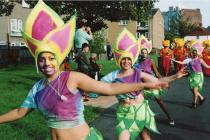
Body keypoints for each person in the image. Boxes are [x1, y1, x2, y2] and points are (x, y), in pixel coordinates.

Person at [0, 2, 168, 140]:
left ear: (58, 59)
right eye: (42, 59)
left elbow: (109, 88)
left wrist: (144, 85)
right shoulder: (37, 88)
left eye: (51, 58)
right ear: (37, 61)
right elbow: (19, 112)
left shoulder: (72, 78)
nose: (46, 63)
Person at [101, 29, 187, 140]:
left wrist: (175, 76)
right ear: (119, 60)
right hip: (124, 113)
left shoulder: (138, 72)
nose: (126, 61)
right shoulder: (114, 75)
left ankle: (169, 117)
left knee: (145, 137)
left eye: (128, 59)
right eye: (123, 59)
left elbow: (157, 80)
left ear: (131, 60)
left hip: (141, 110)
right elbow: (98, 85)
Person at [136, 35, 174, 126]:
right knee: (140, 103)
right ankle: (144, 119)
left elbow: (157, 74)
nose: (144, 54)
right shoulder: (137, 63)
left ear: (147, 53)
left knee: (160, 101)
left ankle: (170, 117)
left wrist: (165, 82)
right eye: (142, 52)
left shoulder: (151, 61)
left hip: (152, 85)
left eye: (145, 53)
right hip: (143, 86)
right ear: (140, 53)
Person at [172, 41, 210, 108]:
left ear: (197, 53)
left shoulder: (200, 60)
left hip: (199, 76)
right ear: (191, 53)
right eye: (193, 52)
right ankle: (201, 98)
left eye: (195, 52)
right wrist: (174, 60)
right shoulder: (189, 60)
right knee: (193, 90)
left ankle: (194, 103)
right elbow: (181, 62)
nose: (194, 54)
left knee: (195, 90)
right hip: (192, 76)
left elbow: (207, 66)